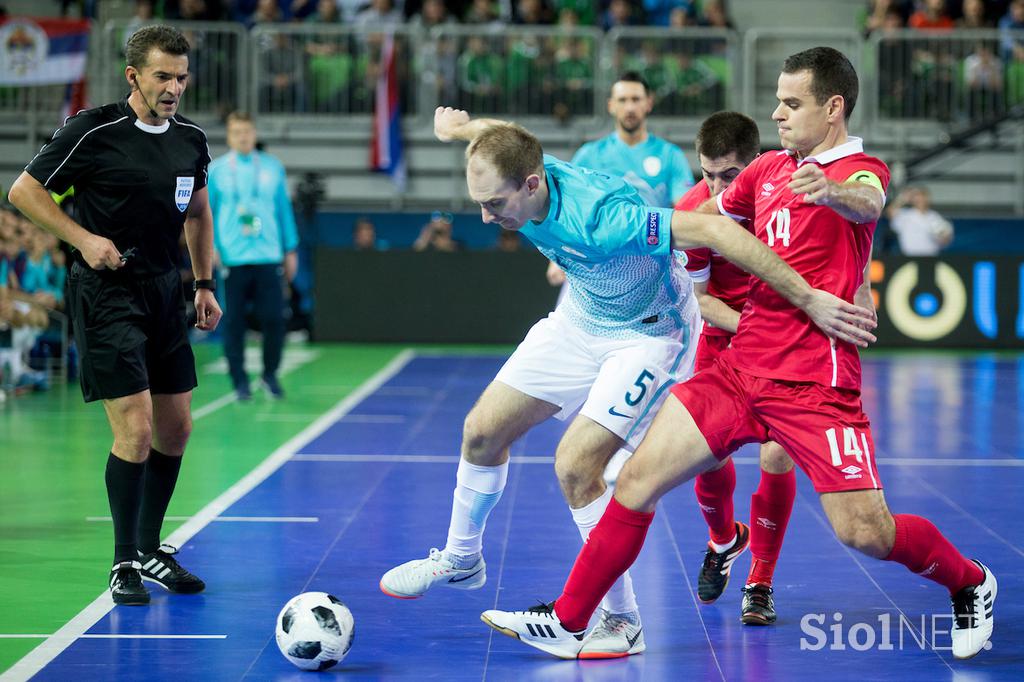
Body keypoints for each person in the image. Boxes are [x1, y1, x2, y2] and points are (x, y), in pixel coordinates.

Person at [481, 47, 996, 662]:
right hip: (737, 369)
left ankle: (969, 581)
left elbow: (868, 202)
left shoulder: (861, 170)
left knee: (865, 532)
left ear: (833, 108)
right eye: (778, 100)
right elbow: (703, 218)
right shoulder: (768, 169)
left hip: (814, 383)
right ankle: (572, 622)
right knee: (636, 480)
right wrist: (613, 239)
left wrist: (833, 195)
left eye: (791, 102)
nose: (777, 114)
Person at [380, 104, 875, 659]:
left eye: (496, 205)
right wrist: (457, 129)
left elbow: (713, 228)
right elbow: (500, 136)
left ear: (532, 183)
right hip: (581, 318)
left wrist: (806, 298)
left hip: (648, 334)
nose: (488, 218)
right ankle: (462, 557)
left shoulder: (604, 217)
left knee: (576, 467)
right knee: (480, 433)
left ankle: (621, 622)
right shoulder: (520, 164)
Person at [8, 25, 221, 605]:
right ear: (133, 76)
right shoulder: (93, 130)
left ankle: (152, 548)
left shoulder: (191, 140)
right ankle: (123, 559)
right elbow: (24, 192)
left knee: (177, 429)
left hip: (163, 294)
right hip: (105, 295)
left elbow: (198, 213)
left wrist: (203, 283)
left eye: (181, 76)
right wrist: (82, 240)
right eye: (162, 76)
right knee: (136, 428)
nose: (174, 86)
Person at [674, 110, 794, 625]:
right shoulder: (694, 212)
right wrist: (755, 325)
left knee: (776, 458)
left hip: (785, 347)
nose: (718, 187)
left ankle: (761, 580)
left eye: (730, 176)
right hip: (724, 337)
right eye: (708, 174)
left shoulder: (786, 193)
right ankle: (725, 540)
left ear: (757, 166)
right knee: (706, 457)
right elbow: (701, 301)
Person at [208, 111, 298, 400]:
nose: (243, 137)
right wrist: (210, 248)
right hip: (232, 257)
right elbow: (205, 214)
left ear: (254, 133)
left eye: (247, 131)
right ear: (229, 135)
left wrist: (290, 249)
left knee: (274, 319)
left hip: (268, 254)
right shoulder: (218, 171)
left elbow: (284, 210)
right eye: (236, 132)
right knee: (233, 321)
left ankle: (270, 375)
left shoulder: (273, 167)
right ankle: (239, 380)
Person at [887, 186, 954, 255]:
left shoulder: (935, 216)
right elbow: (890, 212)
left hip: (931, 258)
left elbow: (945, 240)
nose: (920, 199)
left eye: (923, 195)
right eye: (917, 196)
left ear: (928, 198)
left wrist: (944, 238)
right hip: (909, 257)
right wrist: (903, 198)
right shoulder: (905, 215)